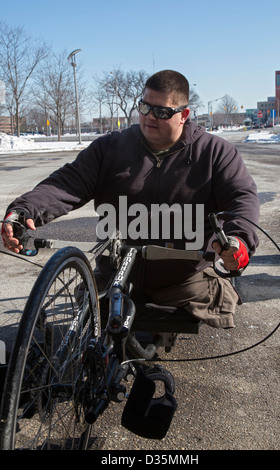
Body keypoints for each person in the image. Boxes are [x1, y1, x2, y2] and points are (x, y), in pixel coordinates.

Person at [1, 70, 259, 328]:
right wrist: (25, 210)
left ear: (184, 115)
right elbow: (67, 182)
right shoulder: (109, 149)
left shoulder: (215, 153)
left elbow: (241, 199)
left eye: (161, 112)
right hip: (116, 275)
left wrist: (238, 239)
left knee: (217, 297)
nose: (149, 117)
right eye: (144, 107)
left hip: (185, 282)